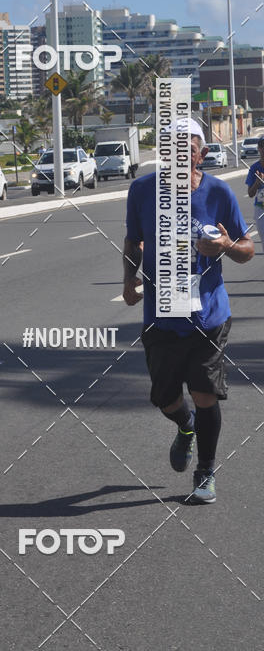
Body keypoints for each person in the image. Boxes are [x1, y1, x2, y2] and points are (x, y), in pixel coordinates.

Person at [123, 120, 254, 504]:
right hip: (161, 315)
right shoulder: (142, 190)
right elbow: (134, 240)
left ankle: (205, 472)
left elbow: (246, 250)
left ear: (202, 153)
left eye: (187, 147)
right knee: (166, 399)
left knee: (204, 393)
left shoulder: (218, 193)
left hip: (208, 315)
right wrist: (129, 281)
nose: (179, 154)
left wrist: (227, 245)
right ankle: (185, 427)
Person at [245, 135, 264, 251]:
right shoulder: (254, 168)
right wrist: (257, 182)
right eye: (262, 146)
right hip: (260, 209)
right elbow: (250, 193)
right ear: (258, 148)